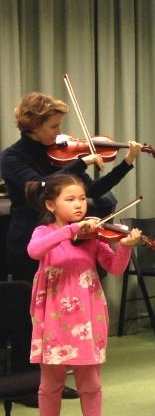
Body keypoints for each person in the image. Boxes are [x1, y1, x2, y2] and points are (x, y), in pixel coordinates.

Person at [25, 173, 142, 416]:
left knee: (90, 382)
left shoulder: (93, 236)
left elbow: (114, 268)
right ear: (51, 204)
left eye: (81, 199)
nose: (79, 205)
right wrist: (71, 230)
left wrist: (126, 246)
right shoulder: (44, 232)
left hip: (87, 316)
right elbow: (34, 251)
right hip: (53, 316)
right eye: (70, 199)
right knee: (50, 383)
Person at [1, 91, 142, 283]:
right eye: (54, 126)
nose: (59, 132)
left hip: (68, 242)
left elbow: (93, 190)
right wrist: (81, 163)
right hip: (30, 243)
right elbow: (41, 187)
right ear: (33, 127)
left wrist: (126, 163)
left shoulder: (60, 154)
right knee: (33, 308)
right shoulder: (12, 158)